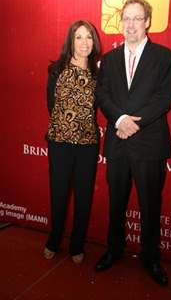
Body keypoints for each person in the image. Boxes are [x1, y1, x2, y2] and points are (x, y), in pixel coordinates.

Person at [95, 0, 171, 285]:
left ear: (147, 22)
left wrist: (133, 124)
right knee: (116, 202)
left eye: (136, 18)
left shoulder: (165, 56)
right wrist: (119, 121)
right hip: (118, 142)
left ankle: (151, 258)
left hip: (149, 144)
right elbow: (103, 95)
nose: (130, 24)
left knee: (150, 205)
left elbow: (164, 99)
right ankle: (113, 250)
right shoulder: (110, 59)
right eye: (126, 18)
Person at [44, 20, 100, 264]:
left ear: (94, 41)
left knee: (84, 197)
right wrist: (65, 128)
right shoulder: (57, 69)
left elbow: (98, 106)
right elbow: (51, 105)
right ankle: (54, 240)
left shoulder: (99, 72)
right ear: (71, 41)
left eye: (88, 37)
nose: (84, 42)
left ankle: (77, 244)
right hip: (59, 143)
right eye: (79, 37)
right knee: (58, 195)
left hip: (87, 144)